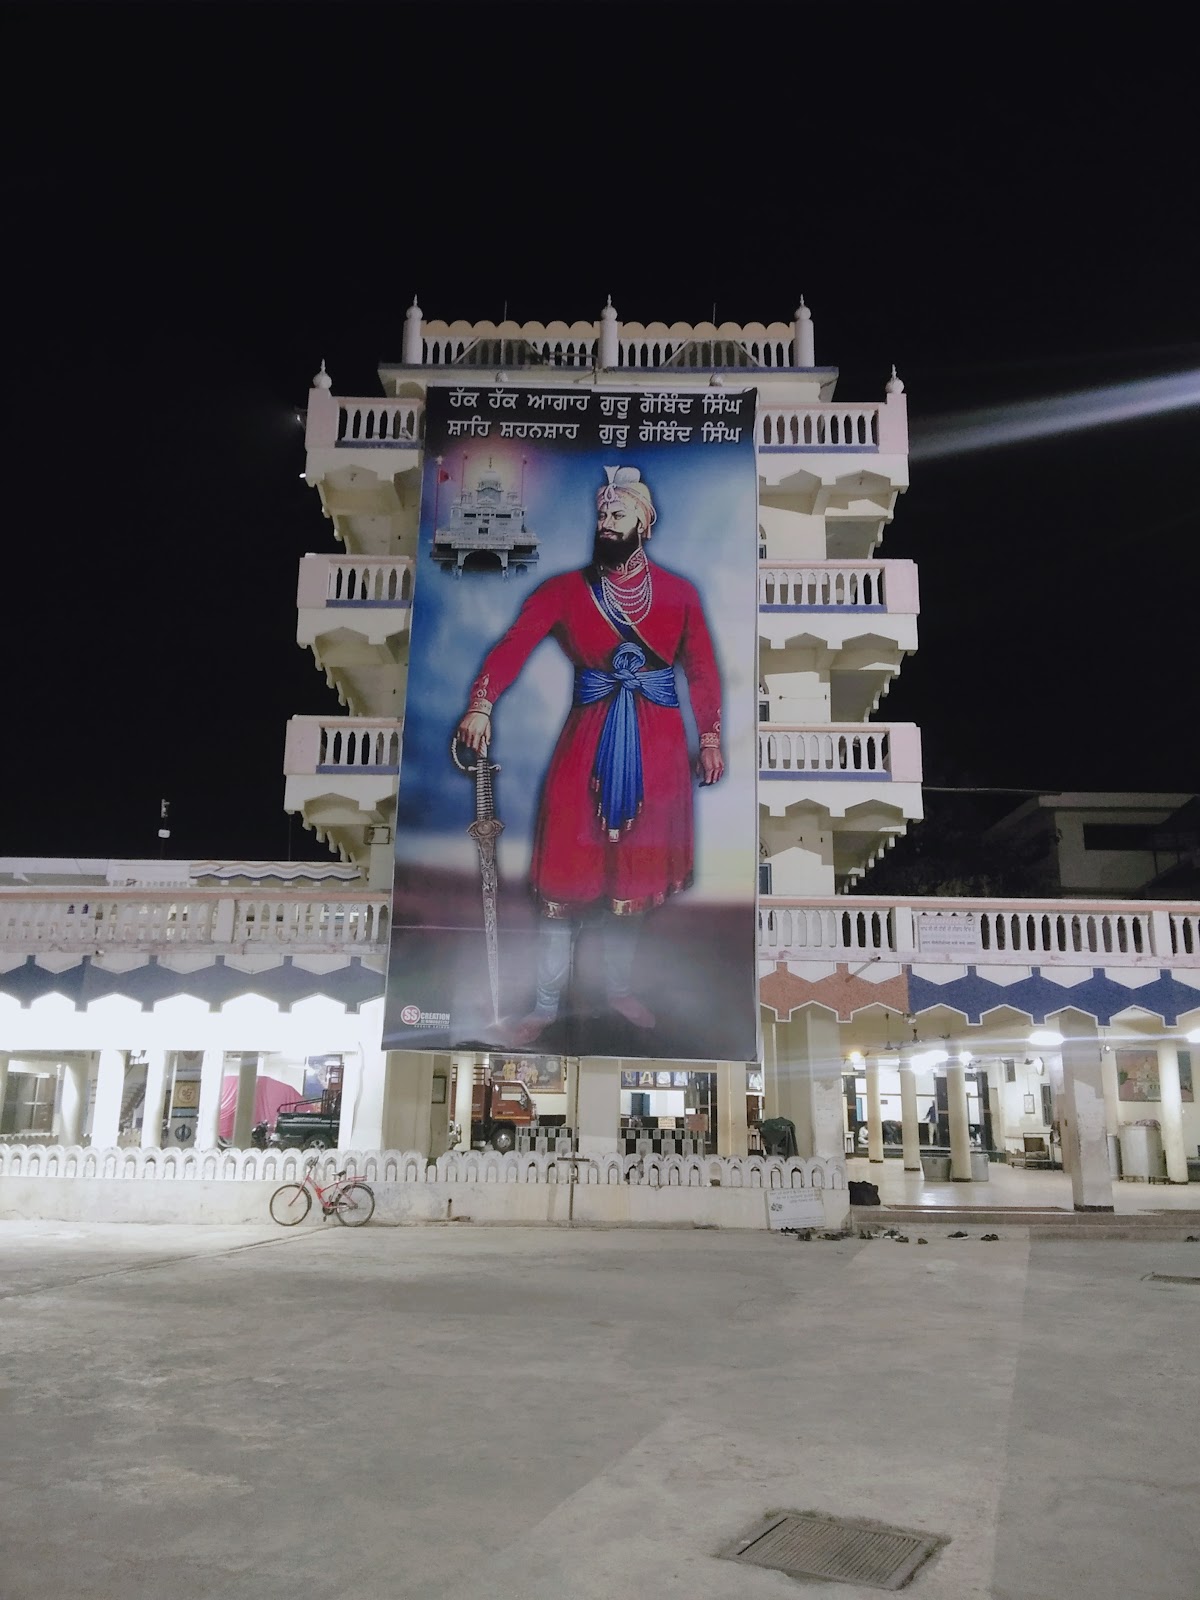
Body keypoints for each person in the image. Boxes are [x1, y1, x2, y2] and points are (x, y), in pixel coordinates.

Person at [456, 464, 723, 1046]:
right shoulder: (563, 591)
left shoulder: (679, 594)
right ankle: (548, 1003)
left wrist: (709, 738)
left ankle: (618, 990)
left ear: (644, 523)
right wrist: (482, 704)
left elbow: (700, 669)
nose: (606, 522)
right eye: (601, 513)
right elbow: (513, 646)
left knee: (631, 884)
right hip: (587, 744)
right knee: (566, 881)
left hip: (656, 751)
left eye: (618, 513)